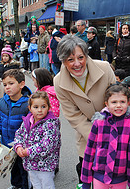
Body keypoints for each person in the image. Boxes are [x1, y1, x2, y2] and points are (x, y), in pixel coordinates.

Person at [54, 35, 116, 184]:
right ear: (63, 61)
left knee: (113, 177)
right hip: (87, 135)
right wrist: (98, 137)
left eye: (80, 57)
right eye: (70, 60)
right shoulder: (58, 81)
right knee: (87, 174)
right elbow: (74, 116)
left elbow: (117, 99)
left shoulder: (105, 68)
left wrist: (111, 135)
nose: (77, 64)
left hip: (114, 131)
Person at [81, 84, 130, 189]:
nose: (118, 105)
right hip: (99, 176)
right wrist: (86, 181)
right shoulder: (99, 122)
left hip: (120, 178)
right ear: (107, 104)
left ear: (128, 103)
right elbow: (89, 151)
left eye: (122, 102)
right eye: (114, 102)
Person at [0, 69, 31, 189]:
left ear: (21, 84)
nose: (7, 87)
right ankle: (15, 185)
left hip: (23, 147)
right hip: (8, 144)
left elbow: (33, 126)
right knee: (12, 167)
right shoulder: (2, 102)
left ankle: (26, 187)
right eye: (5, 85)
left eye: (11, 83)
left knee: (24, 169)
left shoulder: (28, 104)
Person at [14, 91, 61, 189]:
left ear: (48, 107)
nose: (40, 110)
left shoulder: (50, 124)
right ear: (30, 108)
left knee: (47, 185)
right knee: (35, 184)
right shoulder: (27, 121)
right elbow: (19, 134)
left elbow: (47, 144)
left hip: (45, 165)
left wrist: (28, 151)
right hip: (30, 163)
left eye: (43, 106)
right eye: (36, 107)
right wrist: (18, 147)